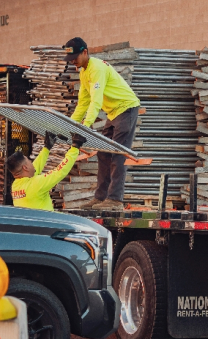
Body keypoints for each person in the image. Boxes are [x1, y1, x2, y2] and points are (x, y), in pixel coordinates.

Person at [63, 36, 141, 210]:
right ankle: (101, 198)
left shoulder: (96, 68)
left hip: (126, 108)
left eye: (74, 57)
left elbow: (95, 103)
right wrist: (70, 126)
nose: (73, 62)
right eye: (70, 59)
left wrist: (83, 127)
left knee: (117, 154)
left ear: (85, 52)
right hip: (114, 113)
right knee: (103, 153)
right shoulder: (84, 72)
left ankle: (115, 200)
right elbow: (83, 103)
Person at [7, 131, 86, 211]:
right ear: (25, 168)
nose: (31, 162)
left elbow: (34, 169)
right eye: (29, 161)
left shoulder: (16, 186)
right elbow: (59, 172)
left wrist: (47, 148)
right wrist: (75, 146)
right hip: (47, 222)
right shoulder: (36, 184)